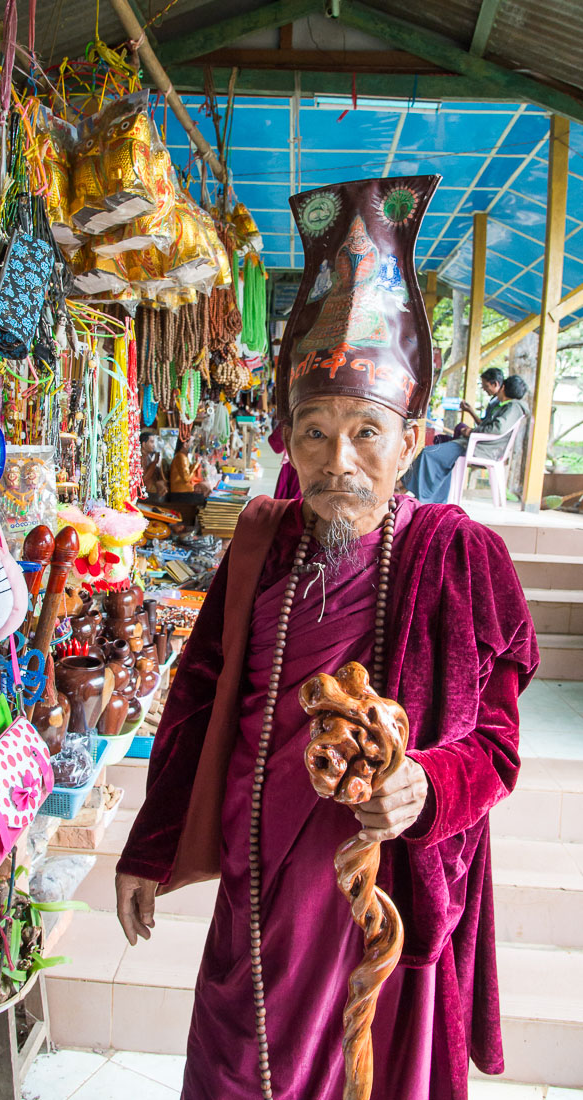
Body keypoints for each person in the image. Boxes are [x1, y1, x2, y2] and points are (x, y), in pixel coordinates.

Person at [116, 175, 537, 1100]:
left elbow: (497, 750)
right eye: (313, 430)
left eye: (365, 432)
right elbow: (196, 695)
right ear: (287, 437)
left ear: (412, 437)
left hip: (375, 903)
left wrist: (427, 784)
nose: (336, 459)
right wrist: (150, 845)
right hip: (256, 894)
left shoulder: (455, 558)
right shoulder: (261, 540)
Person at [404, 374, 529, 503]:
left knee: (429, 453)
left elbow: (498, 428)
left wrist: (471, 432)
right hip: (475, 444)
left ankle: (423, 497)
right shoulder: (509, 406)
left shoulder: (514, 407)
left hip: (479, 447)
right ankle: (421, 493)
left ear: (502, 387)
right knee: (439, 449)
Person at [434, 367, 505, 443]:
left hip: (484, 442)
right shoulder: (494, 401)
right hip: (481, 435)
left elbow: (484, 426)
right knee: (454, 430)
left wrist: (470, 412)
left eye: (486, 386)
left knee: (441, 438)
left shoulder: (499, 404)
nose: (484, 389)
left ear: (495, 384)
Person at [169, 436, 210, 501]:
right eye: (192, 443)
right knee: (205, 499)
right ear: (185, 445)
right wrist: (196, 464)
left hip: (184, 491)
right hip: (181, 493)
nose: (194, 446)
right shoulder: (181, 457)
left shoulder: (183, 457)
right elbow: (186, 478)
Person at [267, 422, 301, 500]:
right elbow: (276, 446)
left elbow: (276, 446)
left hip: (295, 468)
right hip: (298, 468)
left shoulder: (290, 417)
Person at [140, 431, 167, 501]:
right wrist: (154, 462)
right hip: (144, 491)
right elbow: (143, 478)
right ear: (143, 444)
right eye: (151, 442)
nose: (154, 445)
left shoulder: (148, 456)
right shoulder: (141, 457)